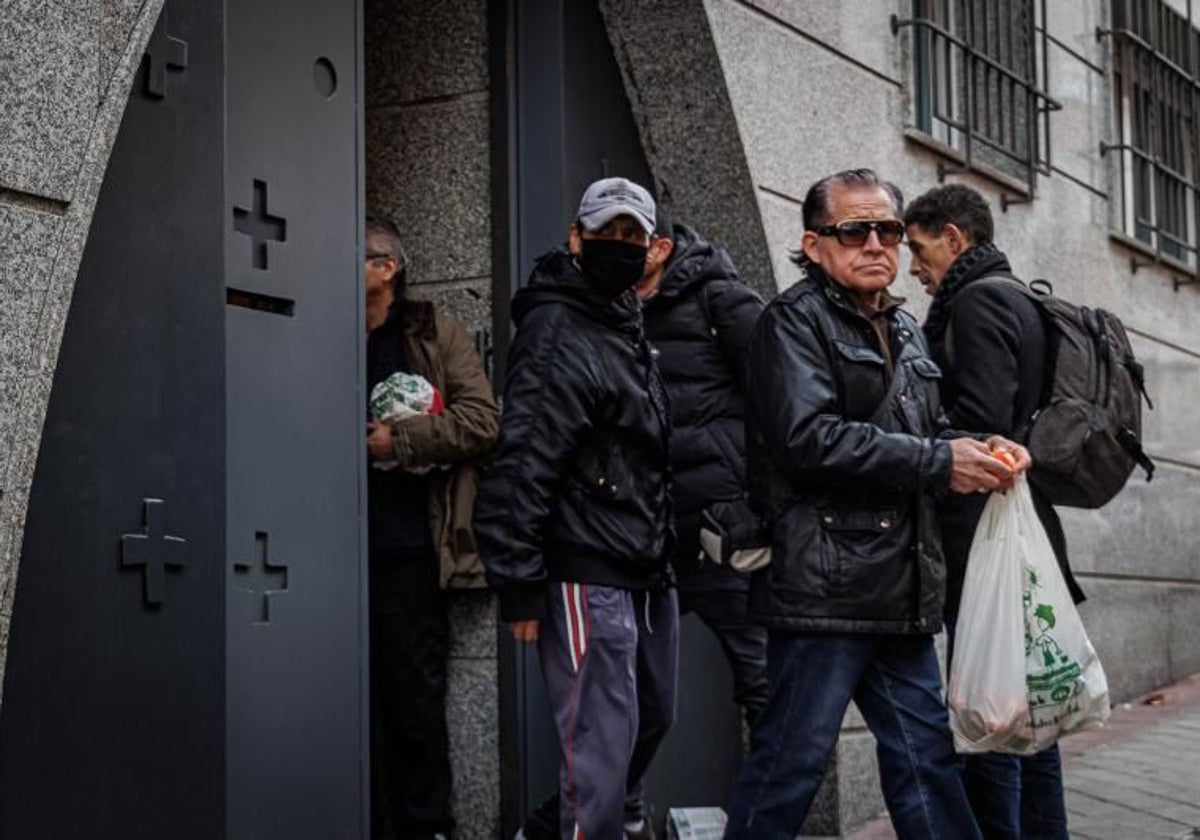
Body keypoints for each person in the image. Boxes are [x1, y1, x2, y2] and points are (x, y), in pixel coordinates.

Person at [722, 168, 1027, 840]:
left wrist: (981, 447)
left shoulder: (907, 327)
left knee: (929, 765)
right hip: (824, 592)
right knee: (789, 767)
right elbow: (810, 440)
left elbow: (922, 434)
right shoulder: (790, 324)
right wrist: (940, 461)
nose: (875, 244)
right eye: (853, 230)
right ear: (814, 242)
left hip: (900, 586)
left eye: (887, 230)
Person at [475, 177, 677, 840]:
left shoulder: (624, 321)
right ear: (575, 237)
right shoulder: (559, 327)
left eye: (632, 236)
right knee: (599, 748)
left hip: (643, 567)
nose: (619, 245)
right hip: (586, 566)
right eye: (606, 232)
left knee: (650, 719)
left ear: (652, 249)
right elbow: (525, 456)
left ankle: (557, 829)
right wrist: (520, 582)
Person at [905, 183, 1083, 839]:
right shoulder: (1015, 297)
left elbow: (982, 424)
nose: (914, 269)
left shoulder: (977, 304)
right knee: (1029, 715)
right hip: (1016, 526)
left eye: (920, 250)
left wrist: (917, 443)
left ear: (955, 237)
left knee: (994, 717)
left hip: (984, 537)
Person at [364, 217, 500, 840]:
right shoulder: (304, 323)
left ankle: (426, 830)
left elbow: (481, 421)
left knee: (412, 703)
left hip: (409, 550)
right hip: (317, 548)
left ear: (385, 268)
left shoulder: (431, 331)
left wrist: (401, 440)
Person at [636, 212, 769, 728]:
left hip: (722, 533)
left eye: (633, 239)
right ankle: (616, 808)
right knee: (628, 690)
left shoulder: (723, 301)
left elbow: (780, 403)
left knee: (760, 680)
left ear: (661, 248)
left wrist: (750, 504)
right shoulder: (612, 311)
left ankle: (768, 812)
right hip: (644, 535)